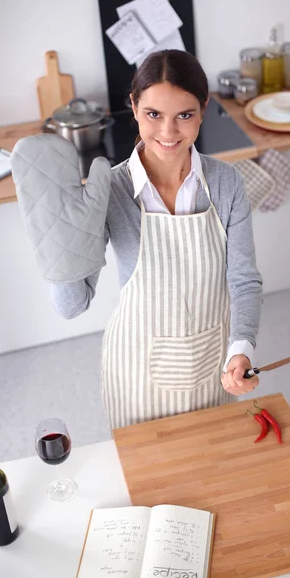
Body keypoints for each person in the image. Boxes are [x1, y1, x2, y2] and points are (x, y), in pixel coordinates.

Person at [51, 50, 263, 429]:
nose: (168, 132)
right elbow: (72, 305)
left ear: (203, 109)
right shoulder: (111, 190)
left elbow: (244, 281)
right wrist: (57, 234)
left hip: (213, 363)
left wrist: (242, 349)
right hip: (136, 371)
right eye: (153, 114)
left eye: (184, 115)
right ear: (133, 107)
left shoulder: (226, 183)